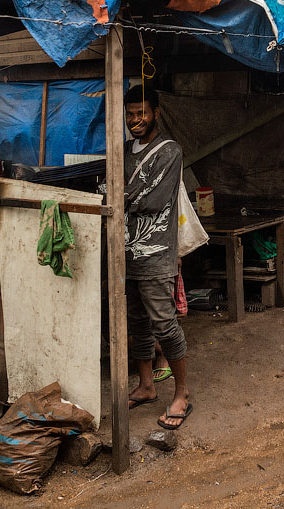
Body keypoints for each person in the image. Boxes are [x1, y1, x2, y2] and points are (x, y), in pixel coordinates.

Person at [122, 85, 192, 430]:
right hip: (126, 253)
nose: (135, 120)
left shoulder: (170, 151)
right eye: (131, 114)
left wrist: (119, 197)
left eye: (141, 113)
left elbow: (154, 200)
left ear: (156, 114)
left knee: (164, 323)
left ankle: (181, 393)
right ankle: (147, 386)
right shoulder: (121, 151)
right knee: (136, 323)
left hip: (157, 253)